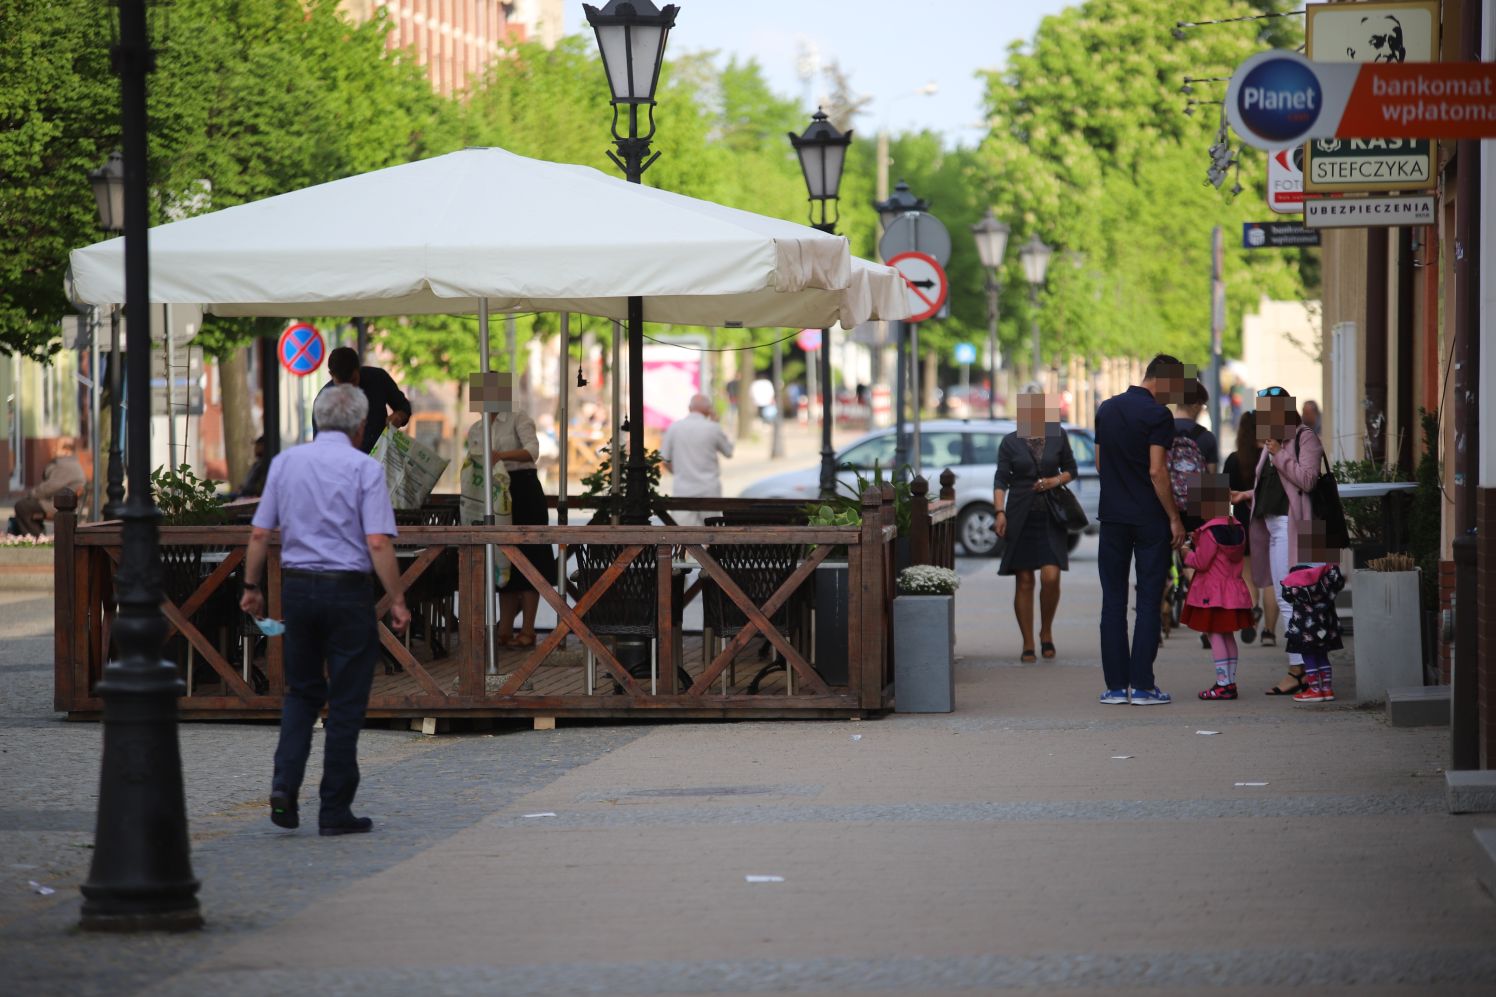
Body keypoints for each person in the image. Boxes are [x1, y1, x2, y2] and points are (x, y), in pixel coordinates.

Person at [239, 385, 410, 836]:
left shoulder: (285, 463)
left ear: (317, 422)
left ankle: (283, 788)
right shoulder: (364, 468)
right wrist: (396, 598)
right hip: (347, 592)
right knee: (348, 703)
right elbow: (377, 542)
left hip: (297, 590)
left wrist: (252, 586)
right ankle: (334, 809)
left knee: (301, 693)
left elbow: (259, 535)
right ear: (359, 427)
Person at [1093, 354, 1188, 706]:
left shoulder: (1107, 408)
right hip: (1149, 518)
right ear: (1162, 381)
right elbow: (1156, 471)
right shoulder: (1158, 415)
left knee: (1112, 602)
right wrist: (1174, 517)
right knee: (1149, 600)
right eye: (1175, 387)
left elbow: (1101, 462)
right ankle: (1144, 686)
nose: (1175, 395)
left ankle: (1116, 688)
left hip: (1113, 517)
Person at [1229, 387, 1326, 696]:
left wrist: (1278, 454)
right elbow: (1271, 486)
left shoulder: (1303, 438)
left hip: (1294, 528)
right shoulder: (1271, 445)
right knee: (1287, 596)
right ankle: (1300, 667)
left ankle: (1302, 670)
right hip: (1272, 528)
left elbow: (1307, 480)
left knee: (1294, 597)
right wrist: (1247, 495)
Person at [993, 390, 1078, 663]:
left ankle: (1046, 631)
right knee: (1025, 579)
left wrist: (1055, 481)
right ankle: (1028, 642)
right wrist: (999, 512)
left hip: (1051, 514)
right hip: (1020, 514)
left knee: (1051, 576)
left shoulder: (1058, 436)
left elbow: (1071, 469)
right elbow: (1000, 480)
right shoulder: (1009, 442)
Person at [470, 404, 556, 646]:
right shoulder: (476, 428)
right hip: (494, 489)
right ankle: (504, 629)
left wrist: (501, 456)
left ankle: (528, 629)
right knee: (502, 558)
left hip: (523, 487)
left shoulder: (519, 418)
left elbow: (532, 451)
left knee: (530, 556)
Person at [1180, 473, 1254, 700]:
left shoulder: (1210, 532)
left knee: (1214, 635)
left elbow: (1202, 562)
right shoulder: (1238, 527)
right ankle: (1230, 681)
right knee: (1228, 636)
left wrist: (1187, 554)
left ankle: (1222, 683)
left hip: (1212, 594)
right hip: (1233, 592)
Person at [1222, 412, 1277, 646]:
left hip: (1244, 524)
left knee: (1248, 575)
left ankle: (1252, 609)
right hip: (1272, 522)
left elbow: (1223, 494)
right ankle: (1270, 634)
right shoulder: (1273, 457)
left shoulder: (1234, 459)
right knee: (1272, 579)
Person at [1281, 529, 1346, 703]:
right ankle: (1327, 688)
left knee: (1309, 656)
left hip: (1305, 627)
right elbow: (1338, 585)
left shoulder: (1296, 572)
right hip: (1326, 624)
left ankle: (1314, 689)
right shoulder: (1330, 572)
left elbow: (1287, 595)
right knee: (1323, 655)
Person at [316, 347, 412, 453]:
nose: (350, 388)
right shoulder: (323, 401)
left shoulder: (378, 378)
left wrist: (399, 416)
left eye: (353, 381)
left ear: (358, 369)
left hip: (382, 456)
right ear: (331, 375)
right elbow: (320, 445)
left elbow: (404, 407)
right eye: (342, 384)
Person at [660, 394, 735, 527]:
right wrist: (716, 423)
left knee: (682, 535)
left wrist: (678, 473)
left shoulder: (674, 428)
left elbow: (664, 459)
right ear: (708, 410)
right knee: (711, 533)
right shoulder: (713, 428)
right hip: (709, 490)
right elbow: (728, 452)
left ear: (689, 408)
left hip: (683, 490)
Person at [14, 438, 85, 535]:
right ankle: (37, 534)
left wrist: (31, 494)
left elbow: (49, 488)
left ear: (67, 451)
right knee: (26, 504)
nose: (53, 449)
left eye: (57, 447)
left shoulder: (66, 466)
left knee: (22, 506)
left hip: (60, 505)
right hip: (62, 503)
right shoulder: (69, 463)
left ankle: (34, 536)